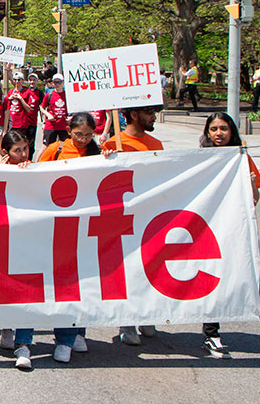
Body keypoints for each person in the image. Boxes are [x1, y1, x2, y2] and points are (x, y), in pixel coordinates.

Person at [4, 113, 108, 368]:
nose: (83, 139)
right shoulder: (55, 149)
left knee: (69, 285)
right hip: (40, 229)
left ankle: (68, 338)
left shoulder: (98, 151)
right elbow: (39, 179)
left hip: (76, 230)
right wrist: (23, 170)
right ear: (68, 132)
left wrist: (110, 156)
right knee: (31, 285)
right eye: (78, 134)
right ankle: (23, 343)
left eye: (88, 134)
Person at [198, 112, 260, 358]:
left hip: (231, 229)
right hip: (205, 230)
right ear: (207, 132)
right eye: (213, 129)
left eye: (223, 128)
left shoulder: (242, 159)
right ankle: (211, 332)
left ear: (232, 131)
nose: (218, 133)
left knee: (225, 277)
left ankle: (213, 330)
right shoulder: (200, 159)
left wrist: (252, 184)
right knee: (208, 278)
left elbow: (253, 201)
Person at [102, 105, 164, 346]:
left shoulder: (156, 145)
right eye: (150, 113)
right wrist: (107, 158)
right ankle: (126, 322)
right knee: (127, 269)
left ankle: (146, 313)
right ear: (135, 115)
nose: (154, 117)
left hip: (148, 216)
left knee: (149, 265)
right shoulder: (112, 145)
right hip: (122, 218)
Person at [40, 74, 70, 147]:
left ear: (63, 82)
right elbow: (42, 107)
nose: (57, 84)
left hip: (63, 126)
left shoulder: (67, 95)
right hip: (51, 125)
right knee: (46, 147)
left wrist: (71, 117)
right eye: (55, 82)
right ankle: (39, 159)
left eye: (59, 82)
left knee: (66, 146)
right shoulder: (49, 94)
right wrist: (48, 115)